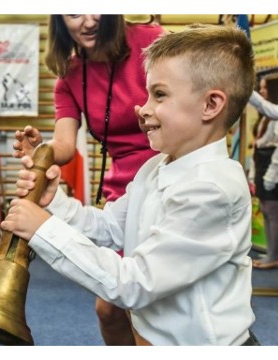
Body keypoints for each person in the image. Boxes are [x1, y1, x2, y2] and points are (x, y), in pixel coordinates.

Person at [1, 25, 257, 346]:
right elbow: (108, 227)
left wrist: (44, 229)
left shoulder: (213, 188)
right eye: (147, 93)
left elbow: (134, 284)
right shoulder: (154, 167)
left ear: (210, 105)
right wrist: (55, 202)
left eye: (159, 95)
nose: (142, 107)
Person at [12, 15, 164, 345]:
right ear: (58, 20)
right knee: (109, 312)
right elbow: (65, 144)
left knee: (146, 311)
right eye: (74, 11)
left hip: (167, 173)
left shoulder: (150, 41)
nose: (89, 20)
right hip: (124, 187)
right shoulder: (69, 74)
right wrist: (42, 150)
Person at [248, 73, 278, 270]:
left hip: (272, 165)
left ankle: (274, 255)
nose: (262, 90)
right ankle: (271, 252)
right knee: (267, 211)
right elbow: (265, 108)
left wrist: (272, 173)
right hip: (263, 162)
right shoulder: (267, 117)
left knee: (272, 212)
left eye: (264, 87)